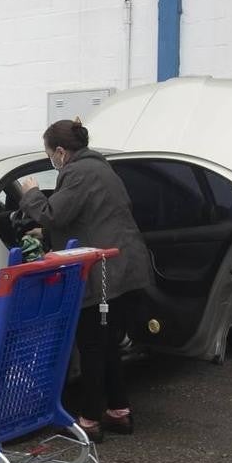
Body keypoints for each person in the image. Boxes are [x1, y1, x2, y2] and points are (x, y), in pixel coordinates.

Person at [18, 119, 151, 442]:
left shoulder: (76, 173)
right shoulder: (102, 168)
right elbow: (91, 215)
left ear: (61, 152)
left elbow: (52, 214)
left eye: (50, 154)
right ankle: (119, 412)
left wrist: (31, 194)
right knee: (108, 346)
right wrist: (48, 234)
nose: (52, 160)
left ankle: (89, 421)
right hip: (126, 268)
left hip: (102, 274)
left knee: (92, 347)